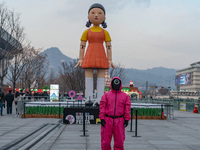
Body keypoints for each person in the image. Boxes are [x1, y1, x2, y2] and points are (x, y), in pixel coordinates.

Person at [75, 3, 116, 102]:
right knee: (88, 75)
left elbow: (109, 46)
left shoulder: (105, 32)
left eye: (99, 13)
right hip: (89, 54)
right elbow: (82, 45)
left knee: (101, 76)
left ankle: (100, 99)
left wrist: (110, 59)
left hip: (101, 55)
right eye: (93, 13)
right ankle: (88, 98)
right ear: (88, 16)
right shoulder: (86, 32)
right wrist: (81, 58)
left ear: (104, 17)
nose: (96, 15)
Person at [99, 77, 131, 150]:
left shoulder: (125, 96)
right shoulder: (106, 95)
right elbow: (102, 106)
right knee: (105, 142)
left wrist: (126, 118)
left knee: (119, 142)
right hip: (107, 120)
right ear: (112, 84)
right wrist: (102, 118)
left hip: (119, 121)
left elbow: (127, 108)